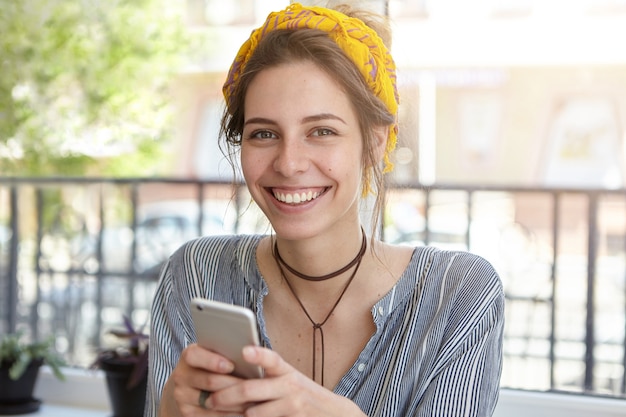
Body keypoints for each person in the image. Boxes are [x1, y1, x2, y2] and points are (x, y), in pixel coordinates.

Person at [146, 2, 504, 416]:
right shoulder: (196, 274)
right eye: (263, 133)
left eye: (321, 131)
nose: (289, 162)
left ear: (374, 142)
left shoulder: (457, 293)